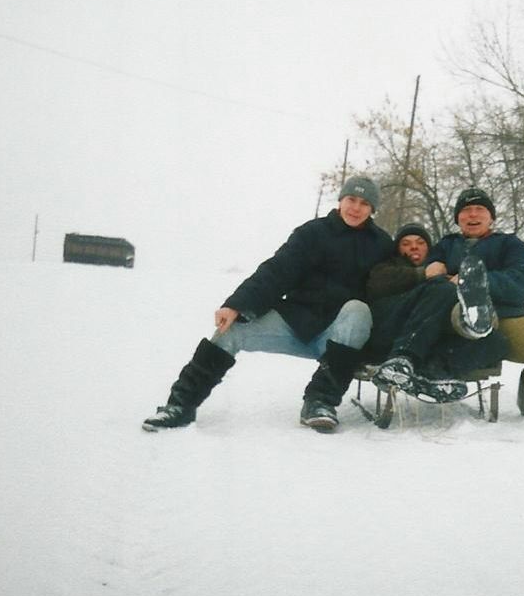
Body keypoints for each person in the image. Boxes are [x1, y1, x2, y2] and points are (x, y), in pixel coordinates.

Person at [141, 176, 393, 433]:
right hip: (297, 323)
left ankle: (320, 403)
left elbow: (397, 288)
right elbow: (276, 272)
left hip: (341, 338)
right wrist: (236, 305)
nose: (356, 208)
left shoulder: (382, 244)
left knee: (358, 310)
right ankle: (180, 405)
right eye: (351, 199)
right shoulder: (312, 233)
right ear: (341, 200)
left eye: (364, 203)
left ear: (372, 209)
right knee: (231, 330)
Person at [416, 187, 524, 423]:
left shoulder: (509, 244)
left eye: (479, 209)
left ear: (491, 217)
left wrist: (475, 281)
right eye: (466, 210)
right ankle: (437, 370)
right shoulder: (446, 246)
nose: (473, 215)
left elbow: (523, 284)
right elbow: (426, 278)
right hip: (453, 313)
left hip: (505, 314)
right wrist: (432, 267)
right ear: (457, 218)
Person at [365, 223, 508, 401]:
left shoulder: (442, 268)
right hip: (391, 332)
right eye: (406, 243)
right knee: (442, 289)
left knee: (497, 342)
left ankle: (433, 373)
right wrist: (422, 274)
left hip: (429, 338)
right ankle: (402, 360)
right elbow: (376, 285)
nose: (414, 247)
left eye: (420, 242)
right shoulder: (387, 266)